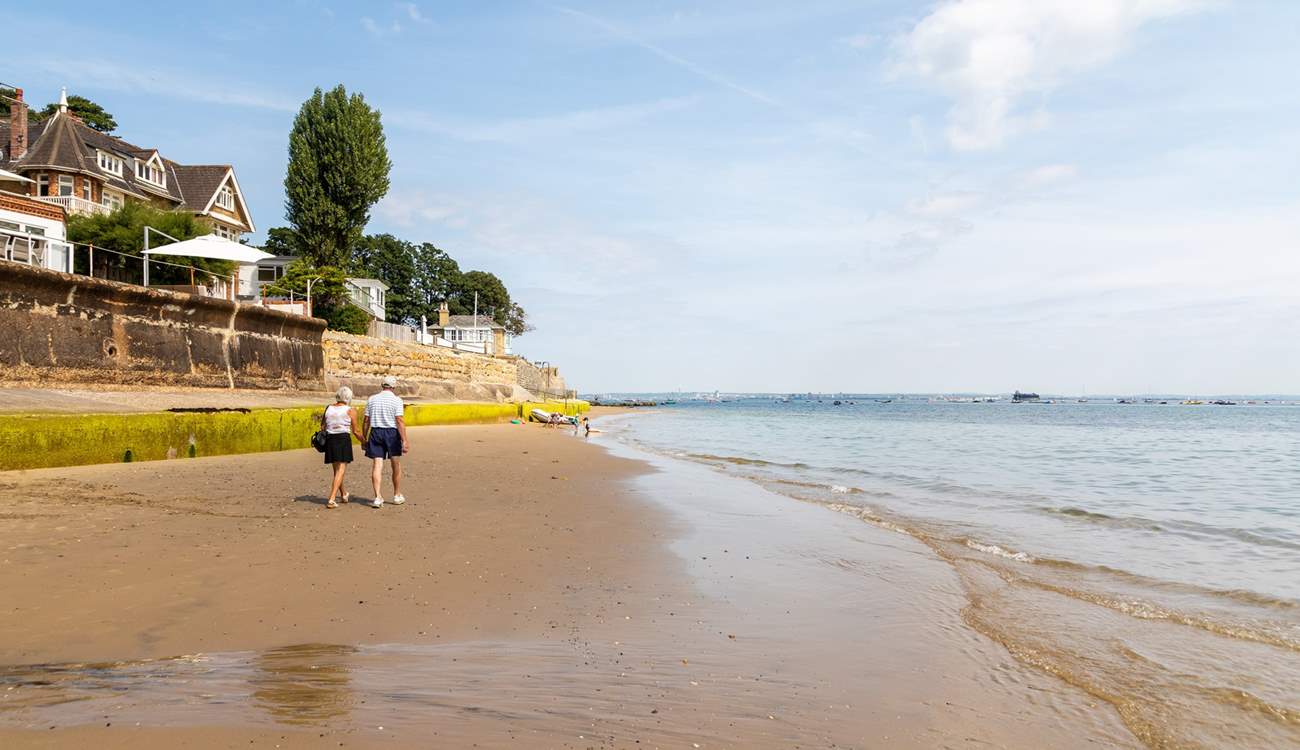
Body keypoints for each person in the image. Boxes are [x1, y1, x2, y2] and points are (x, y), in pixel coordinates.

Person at [363, 375, 409, 508]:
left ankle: (377, 497)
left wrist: (364, 438)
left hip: (376, 431)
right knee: (395, 464)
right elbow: (399, 420)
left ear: (382, 385)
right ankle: (396, 494)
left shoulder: (372, 399)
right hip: (391, 433)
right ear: (393, 387)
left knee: (377, 465)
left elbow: (366, 420)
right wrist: (405, 440)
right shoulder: (397, 400)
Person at [321, 386, 364, 509]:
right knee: (341, 470)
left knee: (336, 471)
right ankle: (332, 499)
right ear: (349, 398)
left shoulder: (328, 408)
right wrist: (363, 441)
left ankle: (343, 494)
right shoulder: (350, 410)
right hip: (343, 439)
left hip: (330, 439)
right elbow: (355, 431)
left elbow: (322, 426)